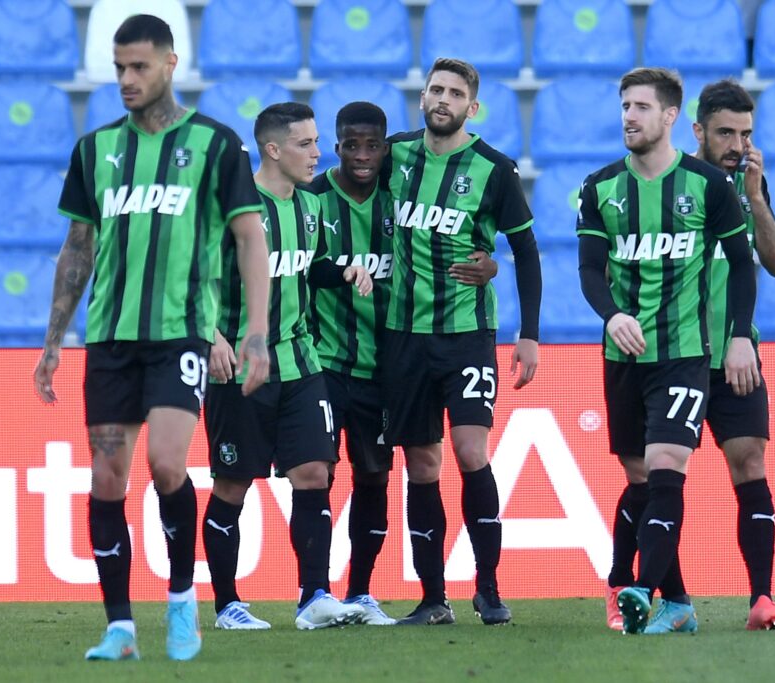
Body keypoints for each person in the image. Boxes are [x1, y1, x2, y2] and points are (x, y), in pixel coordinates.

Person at [33, 15, 271, 661]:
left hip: (179, 333)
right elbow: (77, 246)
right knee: (106, 476)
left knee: (167, 463)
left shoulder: (216, 145)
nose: (126, 79)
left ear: (170, 63)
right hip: (111, 338)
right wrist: (54, 339)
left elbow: (250, 238)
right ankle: (120, 627)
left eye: (138, 66)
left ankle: (181, 598)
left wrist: (255, 332)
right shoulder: (95, 149)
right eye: (119, 68)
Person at [577, 67, 759, 635]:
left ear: (671, 116)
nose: (629, 116)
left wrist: (737, 334)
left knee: (665, 463)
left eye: (641, 107)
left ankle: (640, 587)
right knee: (640, 477)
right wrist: (613, 315)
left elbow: (744, 266)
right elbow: (589, 270)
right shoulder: (600, 187)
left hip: (683, 353)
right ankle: (676, 601)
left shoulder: (707, 186)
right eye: (624, 106)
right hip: (624, 356)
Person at [305, 101, 499, 625]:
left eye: (373, 146)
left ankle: (361, 592)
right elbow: (297, 268)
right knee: (317, 472)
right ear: (336, 147)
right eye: (351, 145)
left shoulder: (403, 197)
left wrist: (490, 263)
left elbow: (460, 239)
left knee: (373, 476)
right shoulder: (314, 199)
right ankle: (313, 592)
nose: (362, 156)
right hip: (324, 362)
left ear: (386, 150)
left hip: (387, 364)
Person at [383, 57, 542, 626]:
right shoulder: (394, 155)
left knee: (471, 451)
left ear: (471, 107)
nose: (443, 99)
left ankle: (489, 588)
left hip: (468, 334)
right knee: (421, 463)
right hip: (403, 335)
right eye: (436, 90)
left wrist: (529, 334)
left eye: (455, 93)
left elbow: (525, 250)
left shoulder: (494, 169)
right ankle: (433, 598)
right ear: (423, 97)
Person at [201, 102, 372, 631]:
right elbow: (190, 279)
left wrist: (344, 269)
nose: (318, 153)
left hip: (301, 362)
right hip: (239, 368)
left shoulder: (310, 206)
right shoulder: (232, 208)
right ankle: (227, 604)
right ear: (273, 150)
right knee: (232, 484)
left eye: (317, 141)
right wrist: (212, 338)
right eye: (306, 143)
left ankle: (314, 596)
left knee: (314, 473)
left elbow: (307, 267)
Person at [693, 79, 775, 630]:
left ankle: (762, 598)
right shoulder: (670, 180)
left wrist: (756, 196)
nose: (737, 145)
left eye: (746, 134)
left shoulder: (748, 185)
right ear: (699, 131)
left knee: (751, 461)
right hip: (676, 354)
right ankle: (650, 593)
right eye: (725, 133)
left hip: (736, 355)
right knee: (657, 476)